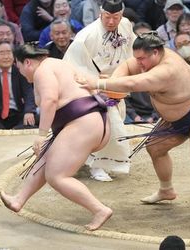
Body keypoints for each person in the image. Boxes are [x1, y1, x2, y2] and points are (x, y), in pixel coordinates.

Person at [77, 31, 190, 222]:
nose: (138, 63)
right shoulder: (146, 59)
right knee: (155, 148)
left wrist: (98, 83)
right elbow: (126, 66)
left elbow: (134, 83)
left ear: (156, 53)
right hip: (176, 117)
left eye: (142, 59)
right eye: (138, 58)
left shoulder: (167, 70)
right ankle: (166, 190)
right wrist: (112, 91)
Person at [0, 44, 113, 231]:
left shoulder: (42, 71)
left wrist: (41, 135)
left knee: (57, 176)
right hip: (92, 121)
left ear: (27, 62)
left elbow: (50, 100)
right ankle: (18, 200)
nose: (20, 73)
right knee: (46, 157)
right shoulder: (59, 64)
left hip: (82, 122)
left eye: (18, 67)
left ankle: (100, 209)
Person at [63, 0, 135, 182]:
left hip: (116, 83)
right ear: (100, 14)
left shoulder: (126, 25)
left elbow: (131, 52)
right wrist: (94, 85)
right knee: (109, 127)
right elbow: (73, 65)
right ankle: (98, 166)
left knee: (113, 124)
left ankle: (91, 161)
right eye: (107, 17)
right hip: (93, 88)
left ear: (122, 15)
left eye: (115, 17)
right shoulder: (87, 36)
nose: (111, 22)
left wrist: (125, 78)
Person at [0, 41, 36, 129]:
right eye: (1, 53)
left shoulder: (20, 71)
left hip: (16, 113)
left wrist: (29, 111)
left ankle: (12, 131)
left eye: (9, 53)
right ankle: (7, 132)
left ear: (14, 57)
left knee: (33, 119)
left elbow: (29, 94)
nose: (6, 57)